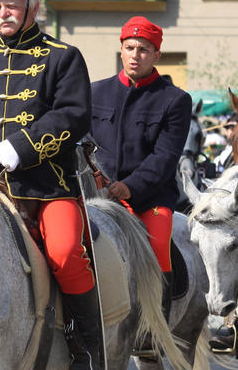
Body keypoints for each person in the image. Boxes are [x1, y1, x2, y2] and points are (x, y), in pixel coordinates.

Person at [0, 0, 99, 367]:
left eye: (11, 5)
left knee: (65, 252)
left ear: (34, 7)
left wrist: (21, 147)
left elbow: (73, 115)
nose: (3, 13)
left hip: (44, 186)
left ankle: (86, 346)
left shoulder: (64, 56)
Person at [89, 16, 191, 352]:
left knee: (158, 246)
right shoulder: (95, 92)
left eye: (144, 49)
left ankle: (152, 329)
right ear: (121, 50)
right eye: (130, 48)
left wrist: (130, 187)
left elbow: (165, 156)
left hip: (149, 198)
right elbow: (82, 141)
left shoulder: (175, 100)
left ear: (156, 55)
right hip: (94, 194)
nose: (136, 55)